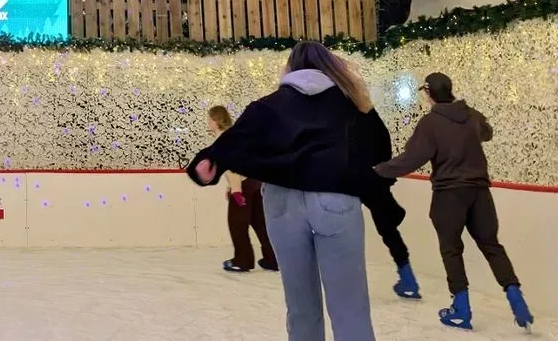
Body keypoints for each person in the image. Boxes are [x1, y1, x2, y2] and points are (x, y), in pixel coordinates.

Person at [186, 42, 380, 341]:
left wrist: (209, 162)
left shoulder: (267, 106)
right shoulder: (351, 104)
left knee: (300, 306)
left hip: (282, 204)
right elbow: (377, 150)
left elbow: (232, 143)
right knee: (349, 307)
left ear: (289, 68)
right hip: (336, 201)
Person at [375, 72, 533, 332]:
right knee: (491, 245)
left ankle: (461, 309)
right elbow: (488, 133)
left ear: (429, 94)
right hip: (480, 192)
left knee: (451, 249)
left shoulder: (430, 123)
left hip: (449, 195)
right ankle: (516, 298)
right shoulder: (471, 114)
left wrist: (379, 170)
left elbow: (412, 159)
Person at [355, 106, 420, 301]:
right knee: (388, 229)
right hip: (374, 179)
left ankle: (346, 280)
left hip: (352, 180)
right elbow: (385, 144)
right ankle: (407, 277)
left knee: (343, 228)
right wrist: (384, 175)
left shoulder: (341, 115)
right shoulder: (372, 117)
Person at [205, 106, 278, 273]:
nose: (208, 122)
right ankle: (273, 259)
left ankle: (242, 261)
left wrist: (236, 190)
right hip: (254, 182)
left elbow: (233, 167)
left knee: (237, 224)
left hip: (243, 186)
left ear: (215, 121)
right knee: (260, 223)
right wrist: (230, 186)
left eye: (209, 119)